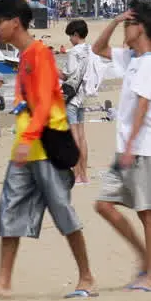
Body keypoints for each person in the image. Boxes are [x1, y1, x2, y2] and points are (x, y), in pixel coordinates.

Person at [0, 0, 95, 301]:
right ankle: (3, 281)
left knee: (63, 211)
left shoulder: (39, 54)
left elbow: (46, 104)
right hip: (25, 147)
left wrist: (27, 137)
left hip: (46, 145)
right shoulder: (24, 57)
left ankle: (87, 276)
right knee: (9, 210)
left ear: (15, 22)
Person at [91, 1, 151, 293]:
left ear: (141, 29)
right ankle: (145, 259)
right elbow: (98, 49)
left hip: (141, 147)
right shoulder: (131, 58)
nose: (124, 28)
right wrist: (114, 21)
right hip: (128, 147)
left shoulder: (149, 63)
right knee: (103, 205)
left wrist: (130, 146)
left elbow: (143, 106)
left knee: (147, 212)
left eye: (127, 24)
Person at [62, 19, 93, 184]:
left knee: (73, 137)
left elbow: (68, 74)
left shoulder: (73, 52)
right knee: (82, 136)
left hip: (72, 98)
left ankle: (76, 174)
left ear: (75, 34)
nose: (69, 39)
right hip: (84, 96)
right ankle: (84, 174)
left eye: (70, 35)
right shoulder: (90, 50)